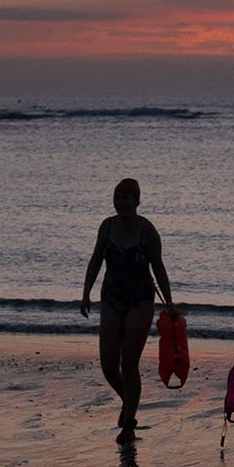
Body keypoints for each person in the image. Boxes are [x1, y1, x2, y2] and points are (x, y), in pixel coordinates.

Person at [81, 178, 179, 444]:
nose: (122, 202)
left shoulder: (147, 230)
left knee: (129, 363)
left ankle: (129, 423)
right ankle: (128, 400)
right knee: (108, 365)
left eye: (127, 198)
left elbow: (158, 267)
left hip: (140, 300)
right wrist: (85, 293)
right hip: (111, 297)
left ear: (137, 201)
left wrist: (169, 302)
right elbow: (95, 260)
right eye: (118, 197)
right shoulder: (107, 226)